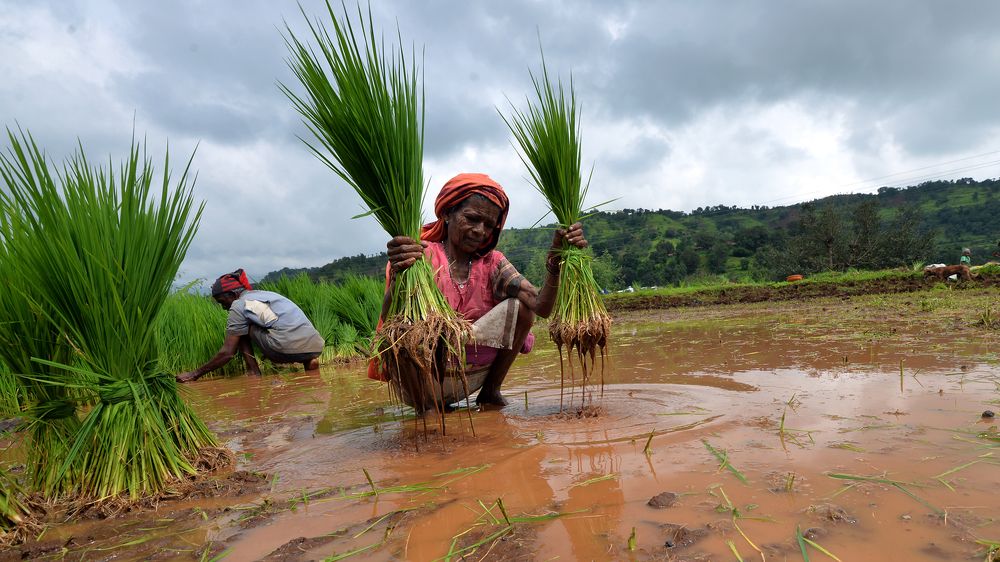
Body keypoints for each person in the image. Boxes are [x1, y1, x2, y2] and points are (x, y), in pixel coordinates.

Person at [371, 172, 588, 409]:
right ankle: (430, 412)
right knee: (403, 330)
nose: (479, 230)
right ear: (447, 213)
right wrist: (400, 273)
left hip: (473, 374)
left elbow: (541, 307)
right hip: (422, 383)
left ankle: (490, 393)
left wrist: (556, 260)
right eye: (472, 218)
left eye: (488, 225)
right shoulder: (422, 256)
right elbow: (389, 317)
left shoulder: (492, 263)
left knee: (522, 308)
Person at [176, 269, 325, 382]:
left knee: (241, 329)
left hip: (285, 348)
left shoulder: (239, 304)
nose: (223, 307)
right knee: (248, 326)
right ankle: (310, 362)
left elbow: (228, 352)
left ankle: (254, 373)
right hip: (316, 347)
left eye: (222, 302)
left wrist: (193, 374)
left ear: (233, 295)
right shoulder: (267, 295)